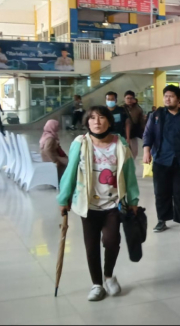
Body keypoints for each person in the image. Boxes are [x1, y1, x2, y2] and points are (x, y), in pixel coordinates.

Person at [57, 106, 140, 302]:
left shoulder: (119, 144)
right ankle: (96, 284)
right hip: (88, 205)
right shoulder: (81, 143)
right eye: (92, 118)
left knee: (112, 241)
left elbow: (129, 173)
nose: (97, 121)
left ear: (109, 122)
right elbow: (69, 172)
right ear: (87, 122)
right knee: (91, 245)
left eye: (101, 117)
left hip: (113, 203)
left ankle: (109, 275)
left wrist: (134, 199)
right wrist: (63, 198)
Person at [143, 85, 180, 236]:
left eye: (171, 96)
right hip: (161, 159)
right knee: (161, 192)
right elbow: (148, 134)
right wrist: (147, 151)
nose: (167, 99)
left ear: (179, 99)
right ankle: (162, 220)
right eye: (165, 96)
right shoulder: (157, 115)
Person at [123, 91, 145, 159]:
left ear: (134, 99)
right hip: (123, 133)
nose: (129, 100)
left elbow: (142, 121)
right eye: (127, 98)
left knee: (134, 152)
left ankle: (132, 163)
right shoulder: (121, 109)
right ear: (124, 99)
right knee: (124, 151)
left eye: (131, 98)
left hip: (134, 133)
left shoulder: (138, 109)